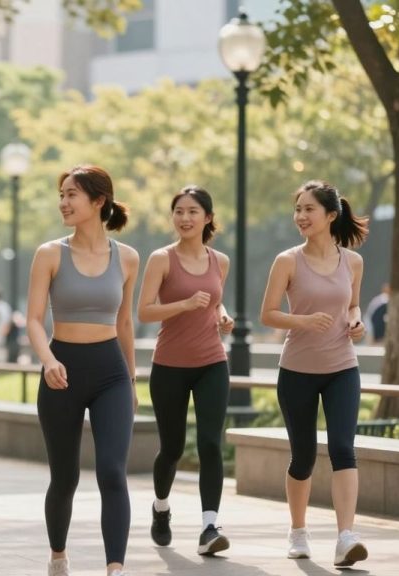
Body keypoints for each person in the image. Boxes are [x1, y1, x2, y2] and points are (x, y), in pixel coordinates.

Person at [25, 165, 138, 576]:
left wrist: (131, 381)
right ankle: (58, 556)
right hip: (62, 372)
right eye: (62, 195)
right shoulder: (50, 254)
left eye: (71, 194)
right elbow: (33, 319)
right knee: (65, 477)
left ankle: (115, 568)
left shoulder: (128, 258)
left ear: (98, 200)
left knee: (112, 471)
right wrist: (48, 360)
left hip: (111, 374)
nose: (63, 202)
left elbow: (124, 324)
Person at [259, 179, 370, 568]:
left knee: (343, 448)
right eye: (298, 209)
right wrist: (303, 321)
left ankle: (346, 537)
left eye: (309, 209)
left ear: (331, 215)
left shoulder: (352, 262)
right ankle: (298, 531)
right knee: (303, 456)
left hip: (342, 368)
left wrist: (356, 322)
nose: (301, 216)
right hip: (297, 371)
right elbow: (268, 314)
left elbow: (353, 305)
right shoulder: (287, 261)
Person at [136, 186, 233, 555]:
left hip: (212, 362)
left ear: (207, 218)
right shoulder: (162, 259)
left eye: (193, 211)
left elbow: (215, 302)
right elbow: (144, 311)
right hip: (169, 366)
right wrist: (184, 304)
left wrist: (223, 316)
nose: (185, 218)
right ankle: (161, 508)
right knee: (172, 448)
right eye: (179, 211)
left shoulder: (220, 261)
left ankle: (210, 527)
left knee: (210, 443)